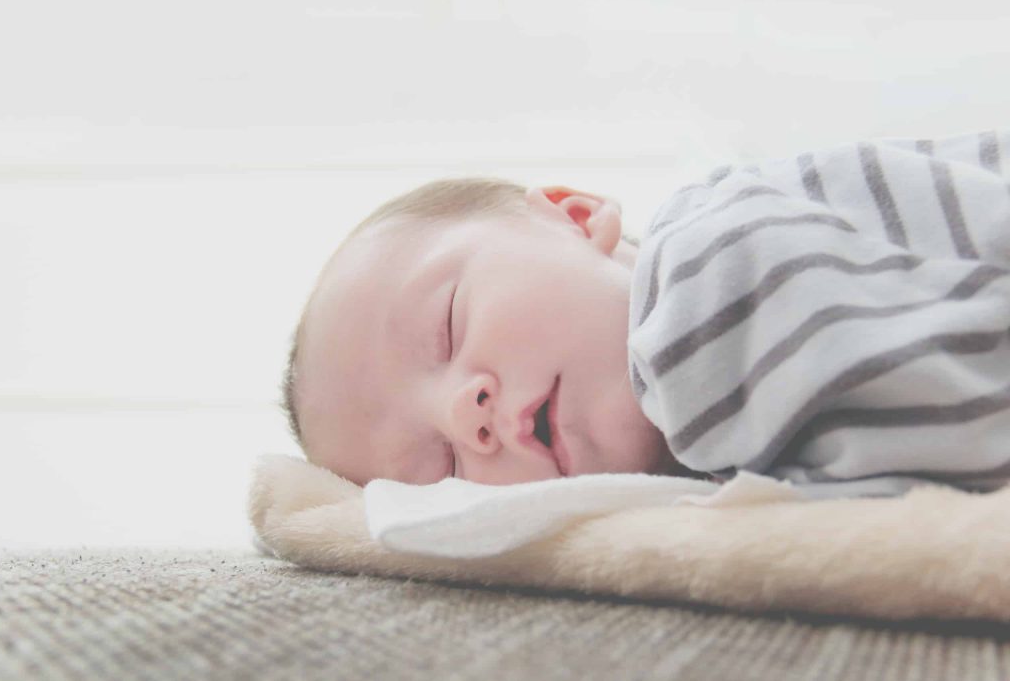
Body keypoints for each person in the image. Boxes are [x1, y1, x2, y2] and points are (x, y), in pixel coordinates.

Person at [282, 128, 1010, 499]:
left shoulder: (698, 281)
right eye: (439, 470)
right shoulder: (700, 451)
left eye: (447, 323)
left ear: (574, 216)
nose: (460, 413)